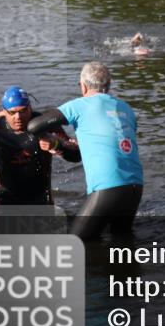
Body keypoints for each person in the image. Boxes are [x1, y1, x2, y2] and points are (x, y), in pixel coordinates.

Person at [28, 61, 143, 239]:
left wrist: (52, 141)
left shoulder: (79, 105)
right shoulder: (126, 109)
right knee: (122, 242)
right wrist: (63, 146)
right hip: (135, 187)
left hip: (107, 186)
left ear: (82, 86)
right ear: (109, 84)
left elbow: (35, 125)